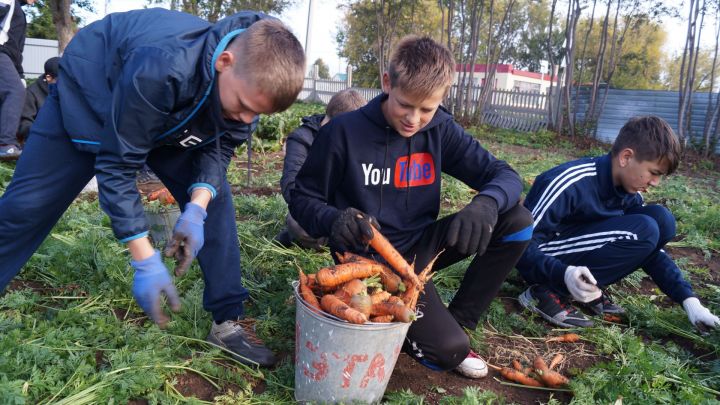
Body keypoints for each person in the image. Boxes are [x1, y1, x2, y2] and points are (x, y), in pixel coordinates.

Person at [0, 8, 305, 367]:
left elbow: (219, 149)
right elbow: (116, 165)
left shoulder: (245, 88)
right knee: (27, 207)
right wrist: (144, 258)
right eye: (242, 107)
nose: (247, 120)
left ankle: (227, 321)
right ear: (225, 61)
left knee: (215, 202)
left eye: (257, 115)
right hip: (91, 96)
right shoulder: (165, 65)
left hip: (167, 122)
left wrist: (196, 207)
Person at [289, 36, 534, 378]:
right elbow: (302, 198)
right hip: (369, 260)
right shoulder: (344, 133)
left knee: (518, 221)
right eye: (405, 105)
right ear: (387, 83)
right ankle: (436, 334)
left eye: (427, 109)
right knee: (447, 352)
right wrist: (333, 219)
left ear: (441, 100)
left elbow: (505, 175)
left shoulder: (440, 129)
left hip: (422, 245)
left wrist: (487, 204)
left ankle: (459, 321)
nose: (414, 119)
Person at [516, 116, 720, 331]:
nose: (655, 183)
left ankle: (586, 287)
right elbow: (520, 246)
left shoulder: (629, 193)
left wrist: (689, 301)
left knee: (662, 221)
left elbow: (652, 252)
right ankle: (546, 292)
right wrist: (562, 273)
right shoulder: (569, 182)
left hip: (573, 256)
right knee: (645, 228)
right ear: (626, 157)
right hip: (542, 258)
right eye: (654, 173)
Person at [275, 89, 366, 249]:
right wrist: (329, 215)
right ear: (337, 124)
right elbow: (291, 187)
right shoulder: (302, 139)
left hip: (348, 208)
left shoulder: (355, 138)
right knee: (297, 223)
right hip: (319, 211)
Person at [0, 0, 35, 160]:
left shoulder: (20, 12)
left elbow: (16, 51)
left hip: (9, 58)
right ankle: (5, 144)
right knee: (14, 91)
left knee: (17, 91)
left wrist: (20, 76)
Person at [16, 56, 59, 143]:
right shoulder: (31, 93)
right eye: (60, 80)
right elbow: (24, 124)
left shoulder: (67, 91)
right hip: (39, 140)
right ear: (48, 78)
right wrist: (42, 133)